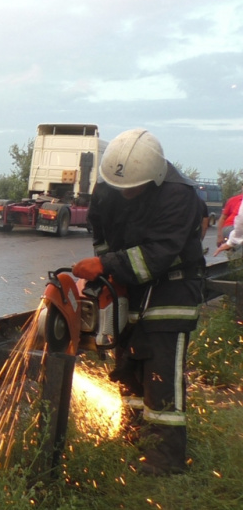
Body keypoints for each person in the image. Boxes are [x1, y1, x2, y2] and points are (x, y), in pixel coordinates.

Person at [74, 128, 205, 476]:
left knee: (159, 375)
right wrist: (107, 275)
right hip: (130, 288)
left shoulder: (179, 195)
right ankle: (133, 440)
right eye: (121, 187)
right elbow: (99, 232)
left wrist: (106, 266)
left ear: (155, 176)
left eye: (134, 187)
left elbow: (156, 255)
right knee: (127, 370)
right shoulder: (109, 185)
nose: (126, 193)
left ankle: (164, 463)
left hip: (170, 292)